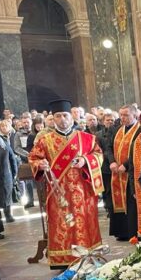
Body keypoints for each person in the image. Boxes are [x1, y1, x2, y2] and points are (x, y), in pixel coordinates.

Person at [28, 100, 104, 268]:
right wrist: (40, 165)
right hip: (58, 192)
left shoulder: (87, 139)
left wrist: (85, 160)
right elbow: (34, 158)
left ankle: (88, 254)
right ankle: (63, 259)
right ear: (53, 118)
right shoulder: (44, 141)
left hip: (83, 191)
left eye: (65, 115)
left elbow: (98, 155)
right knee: (62, 223)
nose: (62, 119)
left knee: (83, 222)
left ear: (72, 117)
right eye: (58, 116)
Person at [108, 105, 141, 241]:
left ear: (134, 115)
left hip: (130, 173)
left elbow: (138, 150)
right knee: (117, 201)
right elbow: (108, 147)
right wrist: (112, 162)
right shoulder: (117, 129)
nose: (123, 118)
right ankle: (121, 231)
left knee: (130, 203)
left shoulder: (139, 130)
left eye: (126, 115)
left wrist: (126, 165)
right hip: (116, 172)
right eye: (121, 115)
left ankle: (132, 231)